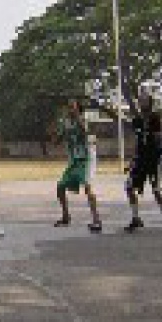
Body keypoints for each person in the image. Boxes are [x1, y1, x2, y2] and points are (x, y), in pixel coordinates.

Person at [124, 94, 162, 234]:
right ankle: (135, 217)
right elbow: (136, 142)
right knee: (129, 186)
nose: (141, 103)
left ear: (150, 103)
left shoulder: (155, 118)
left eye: (144, 101)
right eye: (140, 101)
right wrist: (132, 161)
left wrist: (160, 136)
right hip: (141, 159)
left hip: (154, 158)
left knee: (156, 189)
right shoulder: (137, 120)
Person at [54, 100, 102, 233]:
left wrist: (78, 119)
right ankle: (66, 216)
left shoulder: (84, 120)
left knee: (88, 187)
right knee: (60, 187)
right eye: (68, 107)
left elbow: (87, 133)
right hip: (74, 160)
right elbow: (57, 140)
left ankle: (96, 220)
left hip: (86, 158)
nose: (70, 110)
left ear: (78, 109)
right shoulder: (66, 123)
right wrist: (56, 135)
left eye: (72, 108)